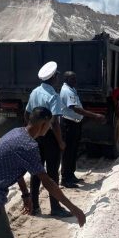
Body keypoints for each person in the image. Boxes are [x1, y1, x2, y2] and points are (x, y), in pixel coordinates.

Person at [0, 107, 86, 238]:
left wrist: (26, 194)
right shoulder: (29, 146)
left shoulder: (18, 132)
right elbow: (47, 182)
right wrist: (74, 209)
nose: (50, 128)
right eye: (50, 124)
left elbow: (15, 166)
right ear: (44, 124)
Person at [24, 61, 69, 217]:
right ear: (54, 77)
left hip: (36, 136)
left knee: (36, 171)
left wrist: (31, 133)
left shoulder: (34, 92)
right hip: (50, 137)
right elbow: (55, 122)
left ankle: (34, 207)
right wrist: (61, 141)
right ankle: (55, 207)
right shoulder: (53, 96)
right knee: (52, 173)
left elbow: (27, 113)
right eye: (57, 76)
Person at [60, 71, 105, 188]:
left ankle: (71, 174)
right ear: (66, 80)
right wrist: (95, 116)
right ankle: (65, 178)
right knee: (68, 151)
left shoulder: (71, 89)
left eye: (75, 78)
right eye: (72, 79)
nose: (75, 81)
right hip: (68, 124)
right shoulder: (67, 91)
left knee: (74, 150)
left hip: (74, 123)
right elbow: (76, 109)